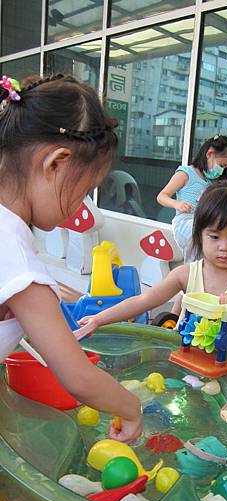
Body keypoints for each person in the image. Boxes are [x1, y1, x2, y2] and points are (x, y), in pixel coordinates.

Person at [0, 73, 142, 443]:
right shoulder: (17, 258)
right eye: (83, 191)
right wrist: (131, 408)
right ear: (55, 164)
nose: (79, 207)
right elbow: (78, 377)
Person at [76, 182, 227, 354]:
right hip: (184, 361)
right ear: (199, 234)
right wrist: (98, 319)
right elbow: (144, 301)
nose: (224, 247)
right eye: (214, 237)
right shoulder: (186, 274)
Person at [157, 135, 227, 262]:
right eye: (221, 165)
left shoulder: (211, 183)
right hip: (185, 221)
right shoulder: (186, 173)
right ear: (209, 154)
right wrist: (177, 204)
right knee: (204, 237)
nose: (221, 171)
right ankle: (193, 269)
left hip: (203, 223)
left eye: (225, 168)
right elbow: (161, 196)